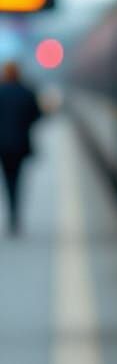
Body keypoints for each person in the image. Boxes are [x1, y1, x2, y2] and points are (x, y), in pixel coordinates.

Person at [0, 61, 43, 235]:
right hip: (20, 143)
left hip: (2, 144)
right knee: (18, 178)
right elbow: (37, 114)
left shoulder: (0, 92)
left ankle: (12, 214)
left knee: (7, 178)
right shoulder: (27, 92)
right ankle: (16, 215)